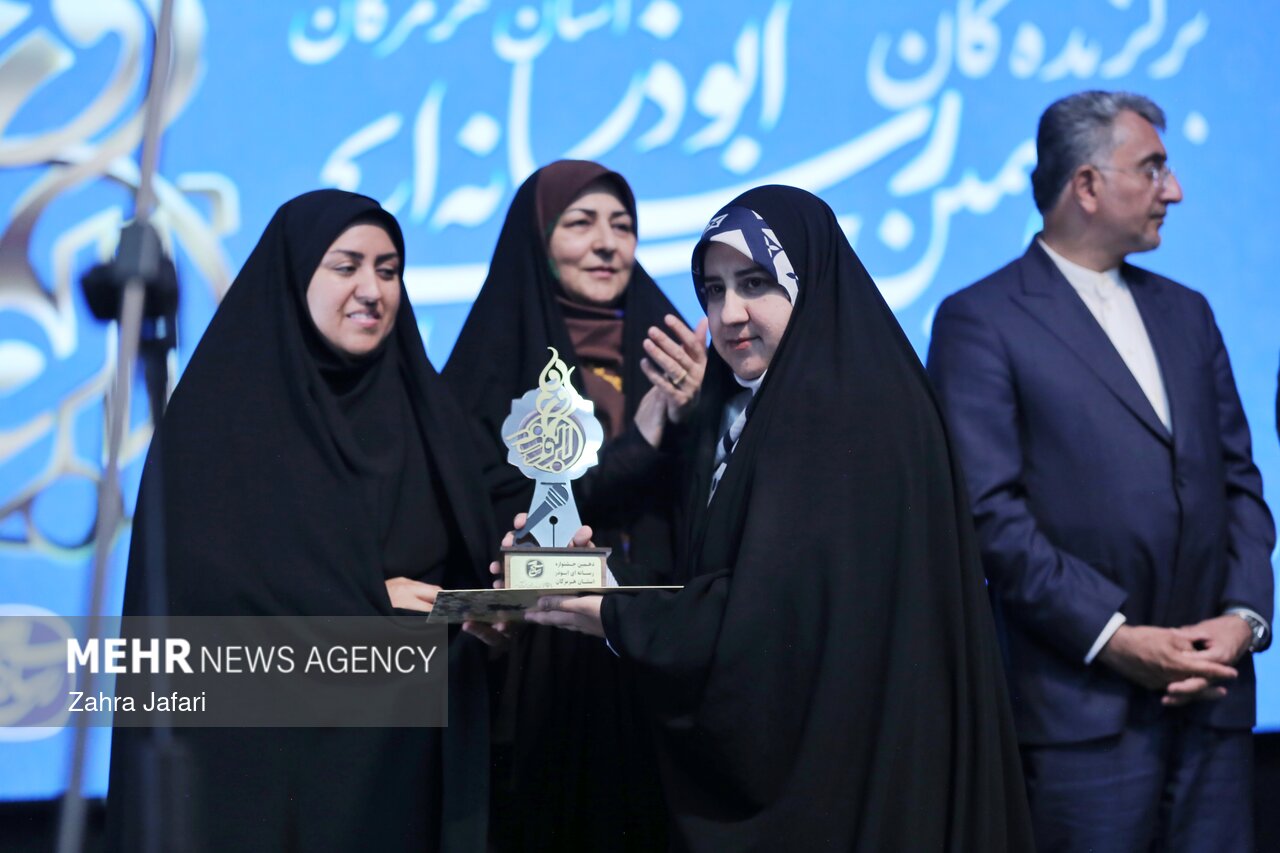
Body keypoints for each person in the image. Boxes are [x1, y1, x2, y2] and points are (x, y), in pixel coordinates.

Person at [526, 185, 1035, 850]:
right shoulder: (767, 407)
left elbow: (768, 626)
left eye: (756, 283)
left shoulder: (842, 413)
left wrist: (618, 611)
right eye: (713, 289)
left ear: (809, 281)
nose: (729, 313)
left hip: (852, 785)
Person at [927, 90, 1276, 852]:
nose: (1173, 190)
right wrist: (1115, 636)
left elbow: (1241, 484)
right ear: (1086, 185)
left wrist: (1243, 619)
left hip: (1214, 705)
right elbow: (989, 512)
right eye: (1152, 168)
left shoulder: (1189, 312)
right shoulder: (981, 319)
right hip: (1080, 717)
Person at [105, 190, 497, 852]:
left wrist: (488, 610)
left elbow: (464, 565)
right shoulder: (217, 421)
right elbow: (206, 602)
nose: (372, 290)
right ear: (294, 276)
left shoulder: (428, 414)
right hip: (261, 775)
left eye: (389, 270)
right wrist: (367, 603)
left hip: (404, 769)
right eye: (346, 266)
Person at [443, 160, 706, 851]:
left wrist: (702, 414)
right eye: (581, 223)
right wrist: (640, 443)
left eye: (622, 226)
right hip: (538, 663)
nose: (607, 244)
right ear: (540, 240)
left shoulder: (673, 355)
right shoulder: (492, 361)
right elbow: (500, 511)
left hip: (656, 656)